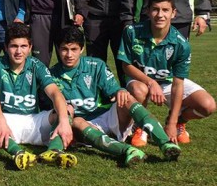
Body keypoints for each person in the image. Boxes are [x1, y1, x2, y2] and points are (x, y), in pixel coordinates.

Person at [51, 26, 181, 167]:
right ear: (58, 49)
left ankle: (165, 143)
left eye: (74, 49)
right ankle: (127, 150)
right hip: (83, 125)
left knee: (127, 97)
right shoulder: (51, 75)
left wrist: (119, 92)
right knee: (77, 121)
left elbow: (114, 89)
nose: (69, 55)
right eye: (64, 49)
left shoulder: (96, 65)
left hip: (107, 116)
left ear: (81, 49)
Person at [118, 0, 215, 146]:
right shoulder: (132, 32)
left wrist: (172, 122)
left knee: (208, 105)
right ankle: (140, 127)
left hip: (167, 83)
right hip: (140, 82)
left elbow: (178, 83)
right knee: (139, 90)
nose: (160, 15)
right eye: (155, 9)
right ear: (148, 11)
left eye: (165, 10)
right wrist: (151, 82)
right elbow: (126, 66)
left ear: (173, 13)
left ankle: (178, 123)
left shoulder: (181, 44)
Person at [0, 23, 75, 170]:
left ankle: (54, 151)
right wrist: (1, 120)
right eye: (14, 46)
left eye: (23, 46)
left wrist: (64, 121)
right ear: (5, 47)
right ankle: (18, 153)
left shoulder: (37, 65)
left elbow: (55, 93)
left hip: (34, 122)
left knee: (67, 110)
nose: (18, 51)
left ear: (30, 47)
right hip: (6, 124)